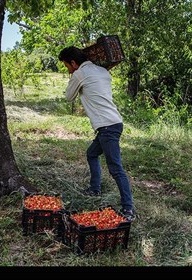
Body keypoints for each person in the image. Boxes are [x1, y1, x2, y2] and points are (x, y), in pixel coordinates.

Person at [58, 46, 135, 221]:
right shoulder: (102, 71)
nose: (68, 70)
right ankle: (95, 189)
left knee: (115, 168)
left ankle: (128, 208)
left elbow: (69, 96)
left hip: (107, 127)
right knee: (91, 153)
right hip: (114, 123)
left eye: (67, 66)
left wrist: (74, 76)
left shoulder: (80, 74)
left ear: (73, 62)